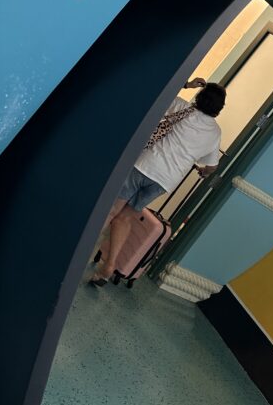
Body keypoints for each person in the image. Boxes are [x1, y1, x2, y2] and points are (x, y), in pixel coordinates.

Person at [90, 78, 226, 286]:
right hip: (164, 181)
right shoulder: (215, 132)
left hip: (144, 166)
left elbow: (162, 91)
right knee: (125, 218)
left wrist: (188, 85)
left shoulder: (182, 107)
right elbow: (211, 166)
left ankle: (76, 255)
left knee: (110, 211)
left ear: (200, 97)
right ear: (219, 108)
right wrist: (204, 172)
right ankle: (109, 266)